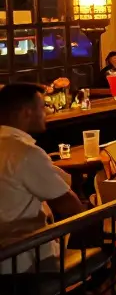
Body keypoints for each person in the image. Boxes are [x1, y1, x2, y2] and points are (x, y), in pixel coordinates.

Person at [0, 83, 87, 272]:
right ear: (25, 112)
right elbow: (69, 205)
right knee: (97, 253)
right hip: (24, 261)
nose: (46, 112)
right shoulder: (25, 153)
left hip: (8, 259)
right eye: (42, 107)